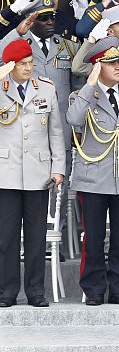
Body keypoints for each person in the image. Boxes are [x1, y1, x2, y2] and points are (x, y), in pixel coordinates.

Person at [66, 36, 119, 306]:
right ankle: (93, 289)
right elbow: (73, 120)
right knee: (94, 238)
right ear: (97, 66)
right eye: (111, 62)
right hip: (93, 179)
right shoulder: (82, 96)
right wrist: (89, 86)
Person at [0, 39, 66, 308]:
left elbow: (56, 132)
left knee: (37, 237)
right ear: (10, 66)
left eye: (30, 63)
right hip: (7, 172)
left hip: (39, 172)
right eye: (22, 64)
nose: (29, 68)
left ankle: (36, 291)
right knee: (7, 237)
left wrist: (59, 168)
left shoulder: (46, 89)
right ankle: (6, 291)